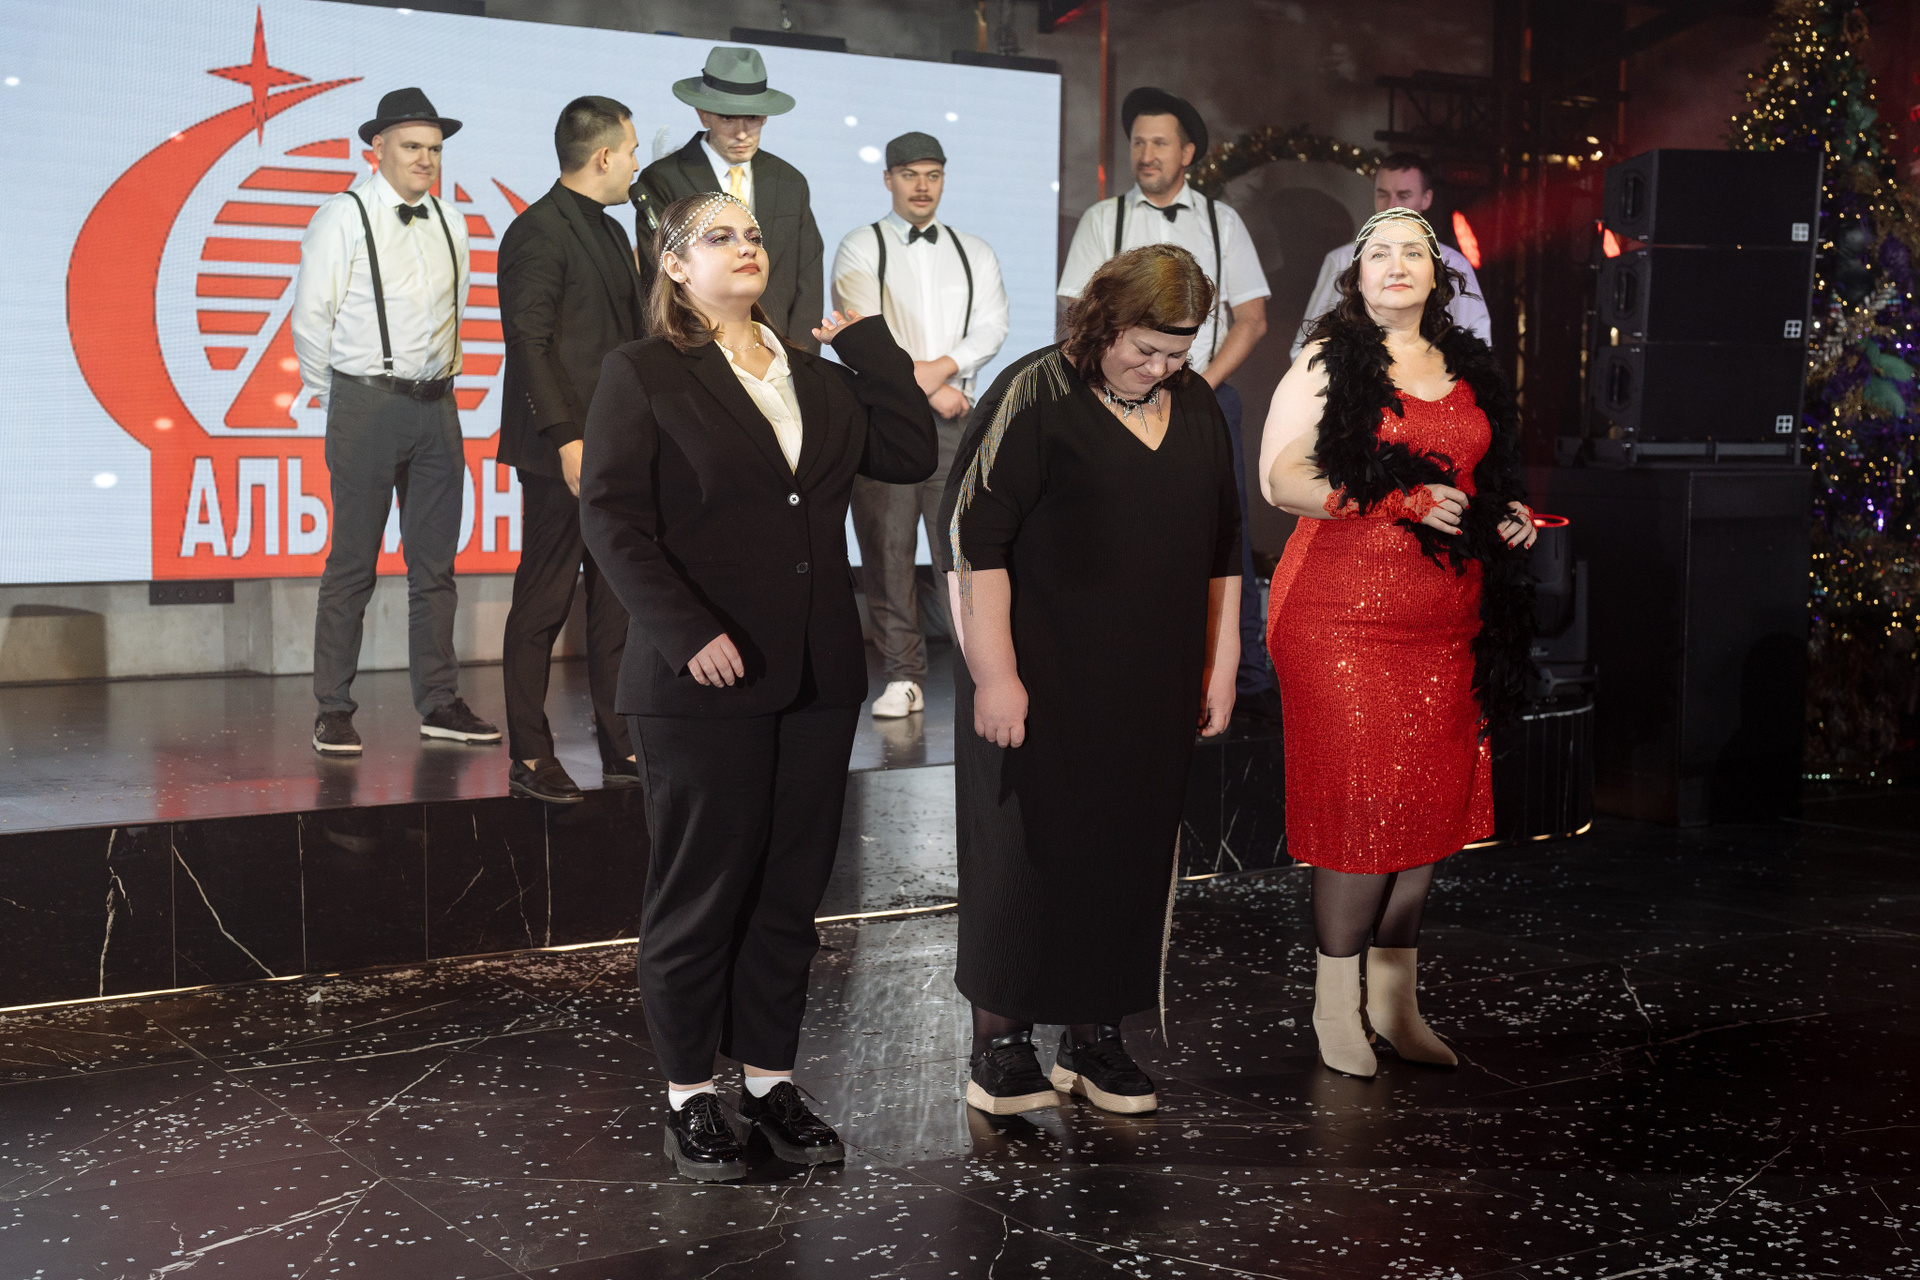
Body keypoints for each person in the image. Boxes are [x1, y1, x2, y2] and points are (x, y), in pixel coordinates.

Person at [578, 194, 937, 1181]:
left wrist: (866, 341)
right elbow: (610, 516)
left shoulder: (817, 377)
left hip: (815, 673)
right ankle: (690, 1093)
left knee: (788, 891)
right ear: (675, 265)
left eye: (754, 234)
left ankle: (770, 1081)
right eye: (720, 236)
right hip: (700, 675)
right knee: (702, 890)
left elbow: (908, 448)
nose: (746, 246)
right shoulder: (643, 371)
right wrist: (687, 630)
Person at [936, 244, 1241, 1117]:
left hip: (1150, 682)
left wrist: (1219, 665)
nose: (1160, 368)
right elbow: (970, 542)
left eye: (1177, 352)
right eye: (1145, 348)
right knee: (1025, 854)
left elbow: (1224, 545)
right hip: (1041, 678)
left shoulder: (1195, 406)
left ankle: (1095, 1035)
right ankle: (1001, 1045)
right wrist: (995, 676)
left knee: (1127, 853)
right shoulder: (1034, 394)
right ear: (1103, 323)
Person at [1257, 207, 1535, 1079]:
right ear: (1357, 274)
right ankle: (1334, 1006)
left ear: (1438, 275)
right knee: (1363, 809)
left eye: (1414, 251)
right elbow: (1281, 478)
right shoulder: (1326, 362)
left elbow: (1480, 476)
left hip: (1445, 620)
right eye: (1379, 252)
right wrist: (1395, 498)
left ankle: (1395, 1002)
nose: (1397, 263)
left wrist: (1507, 515)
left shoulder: (1467, 367)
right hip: (1340, 616)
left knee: (1427, 807)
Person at [1056, 88, 1278, 724]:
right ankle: (1125, 660)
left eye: (1159, 142)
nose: (1145, 153)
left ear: (1187, 153)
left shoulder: (1220, 221)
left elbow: (1253, 318)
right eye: (1138, 142)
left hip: (1204, 392)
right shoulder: (1103, 219)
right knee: (1121, 524)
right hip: (1116, 393)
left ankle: (1244, 672)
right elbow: (1075, 312)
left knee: (1225, 527)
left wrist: (1201, 382)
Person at [293, 87, 499, 755]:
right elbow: (311, 319)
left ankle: (439, 702)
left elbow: (453, 315)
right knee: (352, 564)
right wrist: (337, 398)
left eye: (434, 149)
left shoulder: (452, 222)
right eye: (412, 147)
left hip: (438, 406)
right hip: (366, 402)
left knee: (435, 568)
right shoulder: (343, 215)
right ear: (376, 148)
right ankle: (333, 708)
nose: (425, 159)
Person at [495, 96, 648, 804]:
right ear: (604, 156)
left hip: (617, 445)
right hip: (565, 449)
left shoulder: (614, 230)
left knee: (616, 602)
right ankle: (529, 754)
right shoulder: (537, 231)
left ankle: (620, 745)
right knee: (544, 599)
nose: (638, 164)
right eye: (633, 151)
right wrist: (566, 438)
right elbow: (528, 343)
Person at [831, 131, 1009, 719]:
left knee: (961, 549)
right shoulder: (860, 245)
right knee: (887, 548)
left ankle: (977, 672)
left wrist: (941, 371)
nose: (922, 186)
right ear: (888, 179)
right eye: (910, 174)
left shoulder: (974, 250)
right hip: (885, 421)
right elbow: (862, 327)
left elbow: (992, 326)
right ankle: (902, 675)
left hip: (957, 422)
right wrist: (931, 388)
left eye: (932, 174)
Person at [637, 47, 824, 352]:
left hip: (781, 349)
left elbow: (808, 278)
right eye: (728, 118)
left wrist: (802, 358)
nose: (742, 133)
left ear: (765, 115)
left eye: (752, 117)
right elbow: (660, 280)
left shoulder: (789, 181)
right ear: (703, 114)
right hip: (696, 350)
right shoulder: (664, 179)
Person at [1290, 153, 1492, 359]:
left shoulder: (1455, 264)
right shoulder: (1342, 259)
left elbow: (1477, 349)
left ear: (1426, 199)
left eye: (1403, 195)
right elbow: (1306, 349)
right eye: (1383, 194)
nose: (1392, 206)